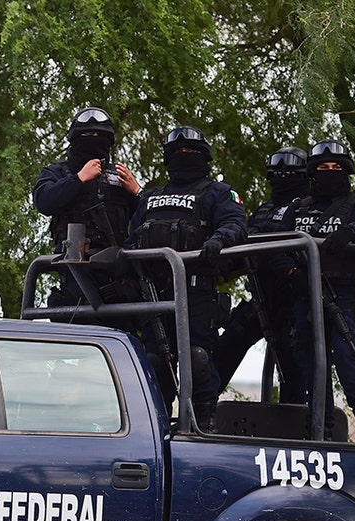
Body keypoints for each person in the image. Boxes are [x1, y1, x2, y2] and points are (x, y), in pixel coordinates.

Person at [127, 125, 248, 431]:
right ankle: (157, 426)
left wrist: (219, 240)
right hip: (154, 295)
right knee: (154, 362)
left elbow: (236, 225)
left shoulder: (218, 193)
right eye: (177, 153)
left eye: (190, 152)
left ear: (204, 157)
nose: (184, 157)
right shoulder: (151, 197)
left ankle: (204, 423)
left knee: (197, 359)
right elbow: (131, 238)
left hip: (195, 291)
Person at [279, 139, 355, 443]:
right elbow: (276, 246)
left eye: (336, 167)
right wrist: (292, 272)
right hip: (305, 296)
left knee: (345, 353)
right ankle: (321, 426)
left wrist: (352, 231)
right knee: (310, 359)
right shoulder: (298, 208)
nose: (330, 172)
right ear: (313, 172)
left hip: (343, 295)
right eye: (323, 167)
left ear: (347, 171)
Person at [213, 147, 309, 402]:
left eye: (287, 175)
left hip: (290, 300)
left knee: (293, 367)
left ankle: (300, 426)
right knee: (224, 351)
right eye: (275, 174)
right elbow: (245, 245)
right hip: (259, 297)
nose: (280, 179)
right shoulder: (264, 209)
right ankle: (202, 411)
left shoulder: (306, 211)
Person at [32, 106, 141, 313]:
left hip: (118, 269)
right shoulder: (58, 172)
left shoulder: (119, 175)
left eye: (99, 136)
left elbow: (143, 219)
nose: (93, 139)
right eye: (87, 135)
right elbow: (43, 201)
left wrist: (137, 192)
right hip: (76, 270)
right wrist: (79, 179)